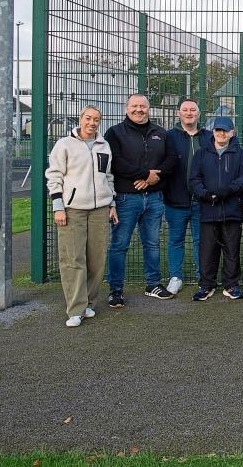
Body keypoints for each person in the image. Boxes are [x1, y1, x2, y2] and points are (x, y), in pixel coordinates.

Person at [46, 106, 118, 327]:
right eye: (88, 118)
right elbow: (54, 175)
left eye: (96, 119)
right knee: (73, 258)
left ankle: (88, 303)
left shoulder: (104, 145)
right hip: (72, 209)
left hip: (100, 209)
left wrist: (112, 203)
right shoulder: (64, 144)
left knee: (97, 260)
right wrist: (58, 206)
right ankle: (75, 309)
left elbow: (108, 176)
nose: (92, 123)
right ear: (80, 119)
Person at [104, 94, 174, 308]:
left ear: (148, 109)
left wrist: (155, 177)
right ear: (127, 108)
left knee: (152, 243)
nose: (139, 110)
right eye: (134, 106)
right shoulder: (115, 133)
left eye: (143, 106)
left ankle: (153, 284)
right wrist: (145, 174)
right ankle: (116, 290)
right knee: (119, 245)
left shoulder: (160, 133)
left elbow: (171, 159)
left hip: (154, 198)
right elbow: (116, 162)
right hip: (126, 198)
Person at [189, 116, 243, 302]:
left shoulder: (240, 154)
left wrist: (228, 190)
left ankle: (231, 285)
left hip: (231, 211)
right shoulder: (201, 153)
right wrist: (205, 194)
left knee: (232, 250)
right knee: (207, 251)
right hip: (208, 210)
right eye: (218, 130)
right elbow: (194, 179)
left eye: (225, 130)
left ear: (232, 133)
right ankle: (206, 286)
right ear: (213, 131)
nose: (221, 134)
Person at [163, 98, 212, 295]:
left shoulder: (208, 137)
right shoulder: (168, 137)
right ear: (179, 113)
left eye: (193, 110)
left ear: (199, 114)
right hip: (176, 200)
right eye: (185, 110)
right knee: (176, 240)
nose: (189, 113)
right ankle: (175, 277)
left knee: (201, 241)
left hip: (202, 202)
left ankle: (203, 277)